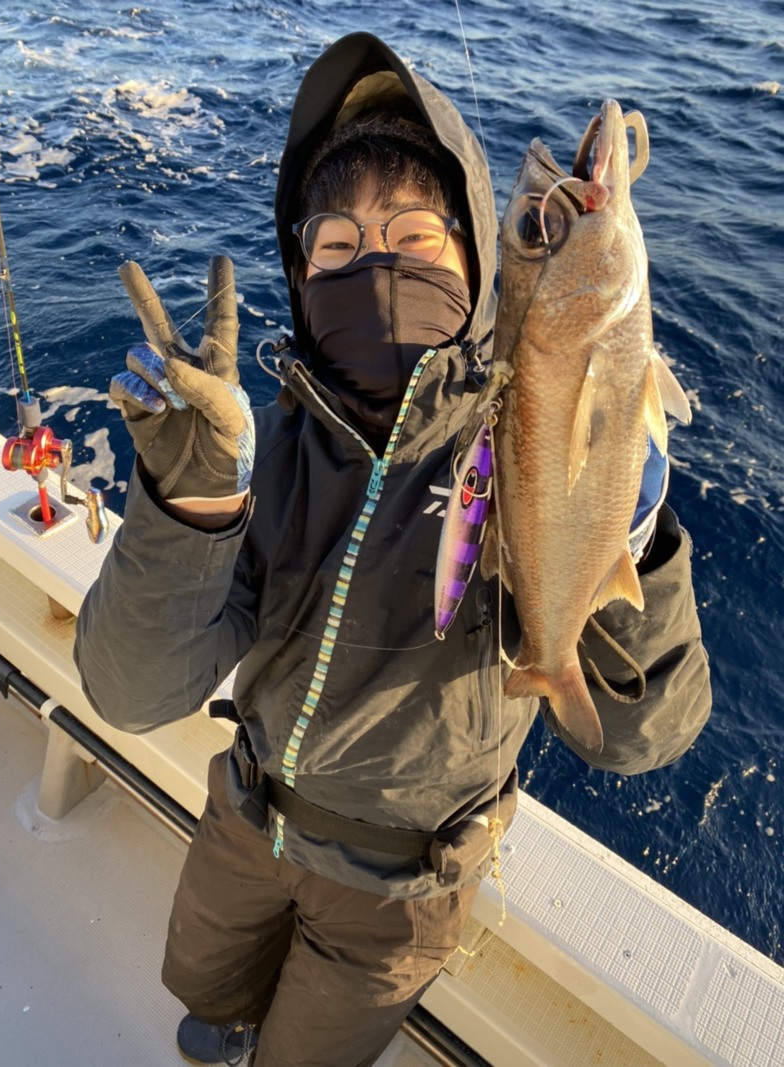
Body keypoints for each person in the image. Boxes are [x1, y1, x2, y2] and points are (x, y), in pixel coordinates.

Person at [74, 32, 712, 1067]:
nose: (375, 265)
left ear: (476, 262)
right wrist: (190, 506)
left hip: (405, 886)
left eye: (415, 235)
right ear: (298, 275)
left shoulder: (516, 462)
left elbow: (640, 735)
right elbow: (131, 690)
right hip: (246, 817)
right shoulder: (262, 449)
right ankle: (221, 1015)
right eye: (335, 245)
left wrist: (624, 530)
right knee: (201, 979)